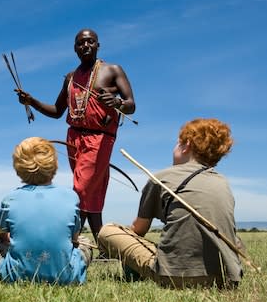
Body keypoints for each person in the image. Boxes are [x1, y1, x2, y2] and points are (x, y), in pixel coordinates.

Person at [17, 28, 136, 242]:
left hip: (100, 138)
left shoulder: (112, 70)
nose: (86, 46)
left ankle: (69, 242)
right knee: (92, 192)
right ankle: (103, 246)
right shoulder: (71, 78)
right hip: (73, 138)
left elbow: (131, 105)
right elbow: (57, 111)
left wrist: (117, 102)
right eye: (81, 43)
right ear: (75, 48)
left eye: (90, 41)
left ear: (98, 45)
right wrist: (31, 101)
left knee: (81, 190)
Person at [97, 118, 243, 289]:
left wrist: (126, 244)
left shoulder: (163, 177)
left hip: (173, 277)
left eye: (177, 143)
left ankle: (136, 272)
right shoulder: (223, 182)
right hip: (226, 279)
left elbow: (139, 230)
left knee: (107, 231)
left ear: (186, 145)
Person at [0, 137, 92, 284]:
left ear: (17, 168)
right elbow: (75, 239)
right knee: (85, 242)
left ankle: (8, 272)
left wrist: (11, 238)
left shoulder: (10, 199)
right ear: (55, 164)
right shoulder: (71, 196)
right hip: (68, 277)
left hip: (15, 277)